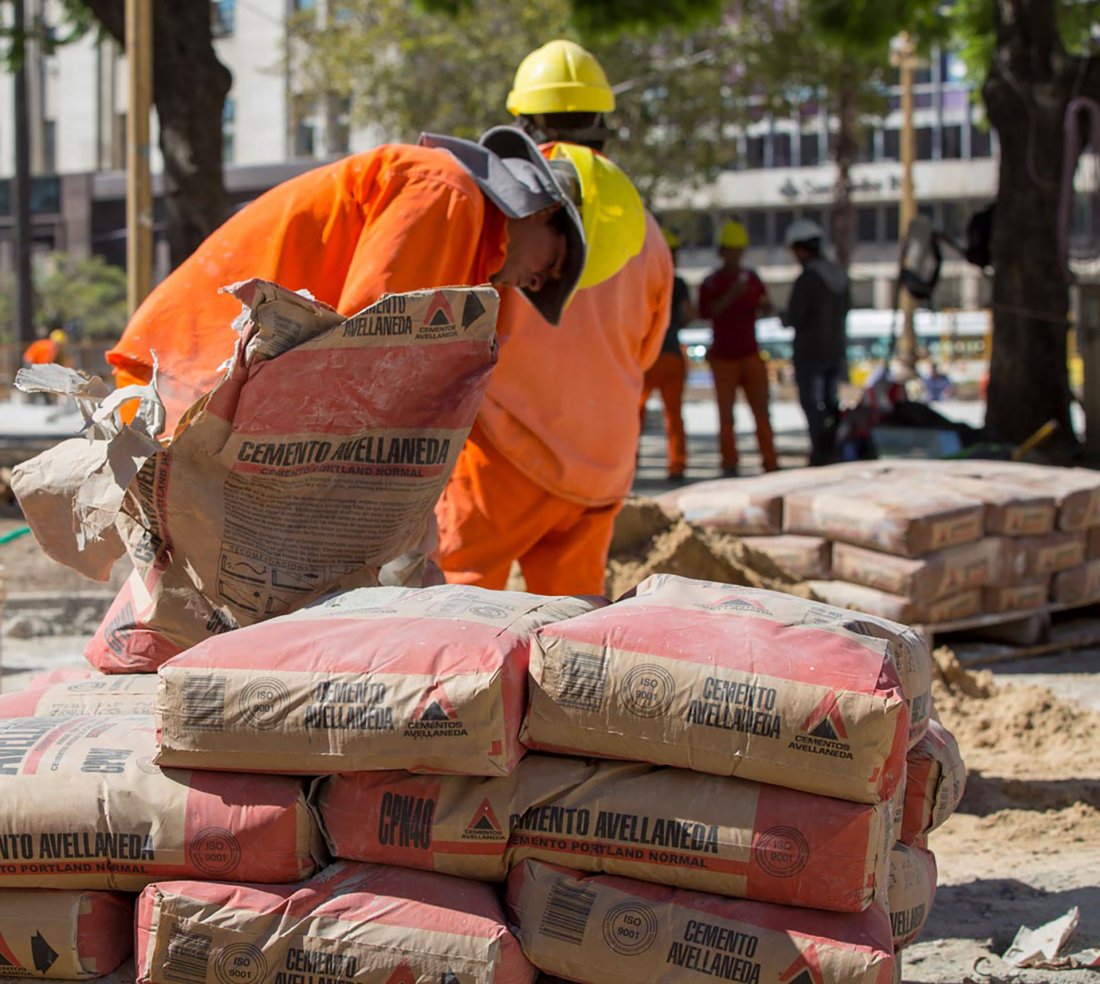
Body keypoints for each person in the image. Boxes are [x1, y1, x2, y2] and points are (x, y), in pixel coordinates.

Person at [107, 125, 638, 434]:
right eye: (552, 268)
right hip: (189, 378)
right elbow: (366, 351)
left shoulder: (468, 238)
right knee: (194, 602)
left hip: (212, 387)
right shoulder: (446, 191)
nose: (535, 283)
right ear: (541, 211)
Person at [433, 39, 672, 597]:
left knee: (460, 617)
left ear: (522, 126)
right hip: (600, 464)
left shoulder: (513, 221)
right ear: (605, 128)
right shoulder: (645, 229)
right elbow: (647, 350)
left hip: (502, 463)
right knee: (571, 630)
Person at [697, 219, 778, 477]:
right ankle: (729, 463)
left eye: (739, 251)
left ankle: (770, 461)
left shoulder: (753, 279)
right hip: (722, 358)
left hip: (751, 354)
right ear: (722, 252)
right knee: (726, 415)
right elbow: (706, 313)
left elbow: (766, 306)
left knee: (761, 411)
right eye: (731, 250)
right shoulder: (711, 283)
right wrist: (732, 295)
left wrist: (764, 305)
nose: (735, 256)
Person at [782, 218, 850, 466]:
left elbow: (794, 317)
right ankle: (831, 449)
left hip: (810, 355)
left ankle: (820, 453)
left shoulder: (808, 279)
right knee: (831, 404)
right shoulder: (838, 276)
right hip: (835, 351)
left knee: (813, 406)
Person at [638, 228, 693, 481]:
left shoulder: (643, 279)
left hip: (644, 356)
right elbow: (687, 315)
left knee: (634, 415)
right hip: (670, 355)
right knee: (673, 415)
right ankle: (677, 465)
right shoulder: (678, 283)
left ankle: (629, 462)